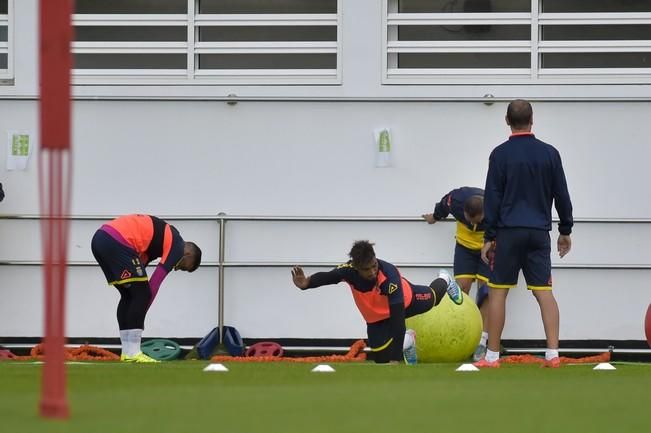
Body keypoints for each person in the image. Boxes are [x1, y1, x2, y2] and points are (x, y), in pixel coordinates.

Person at [475, 99, 573, 368]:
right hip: (538, 232)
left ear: (507, 121)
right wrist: (565, 229)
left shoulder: (499, 154)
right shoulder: (550, 154)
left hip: (508, 233)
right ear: (533, 120)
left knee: (497, 293)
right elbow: (561, 195)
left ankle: (492, 356)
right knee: (544, 292)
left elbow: (492, 199)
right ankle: (553, 355)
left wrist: (488, 236)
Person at [291, 240, 463, 364]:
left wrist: (396, 359)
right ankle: (408, 341)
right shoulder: (348, 271)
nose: (373, 272)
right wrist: (307, 284)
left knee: (434, 298)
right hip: (376, 316)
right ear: (356, 267)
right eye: (366, 269)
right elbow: (328, 277)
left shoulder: (389, 277)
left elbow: (397, 319)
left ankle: (445, 279)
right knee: (380, 359)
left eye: (374, 265)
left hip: (406, 302)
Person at [91, 214, 202, 363]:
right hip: (115, 241)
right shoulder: (177, 247)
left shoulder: (160, 242)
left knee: (129, 295)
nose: (177, 269)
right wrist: (142, 308)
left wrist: (138, 304)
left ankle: (127, 351)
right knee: (141, 294)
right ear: (187, 254)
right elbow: (154, 283)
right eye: (183, 267)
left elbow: (140, 267)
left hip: (101, 239)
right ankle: (134, 352)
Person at [422, 186, 491, 361]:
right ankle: (462, 337)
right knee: (462, 289)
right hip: (465, 247)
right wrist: (434, 217)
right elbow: (443, 206)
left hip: (488, 248)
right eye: (471, 220)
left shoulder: (495, 204)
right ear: (463, 212)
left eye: (479, 221)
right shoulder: (456, 200)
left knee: (486, 293)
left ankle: (481, 341)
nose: (475, 224)